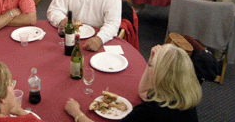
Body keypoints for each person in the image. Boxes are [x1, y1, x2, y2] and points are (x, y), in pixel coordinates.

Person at [65, 44, 202, 122]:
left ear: (160, 75)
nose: (149, 69)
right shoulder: (182, 97)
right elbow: (143, 93)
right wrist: (152, 60)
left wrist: (77, 114)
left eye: (152, 66)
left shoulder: (150, 112)